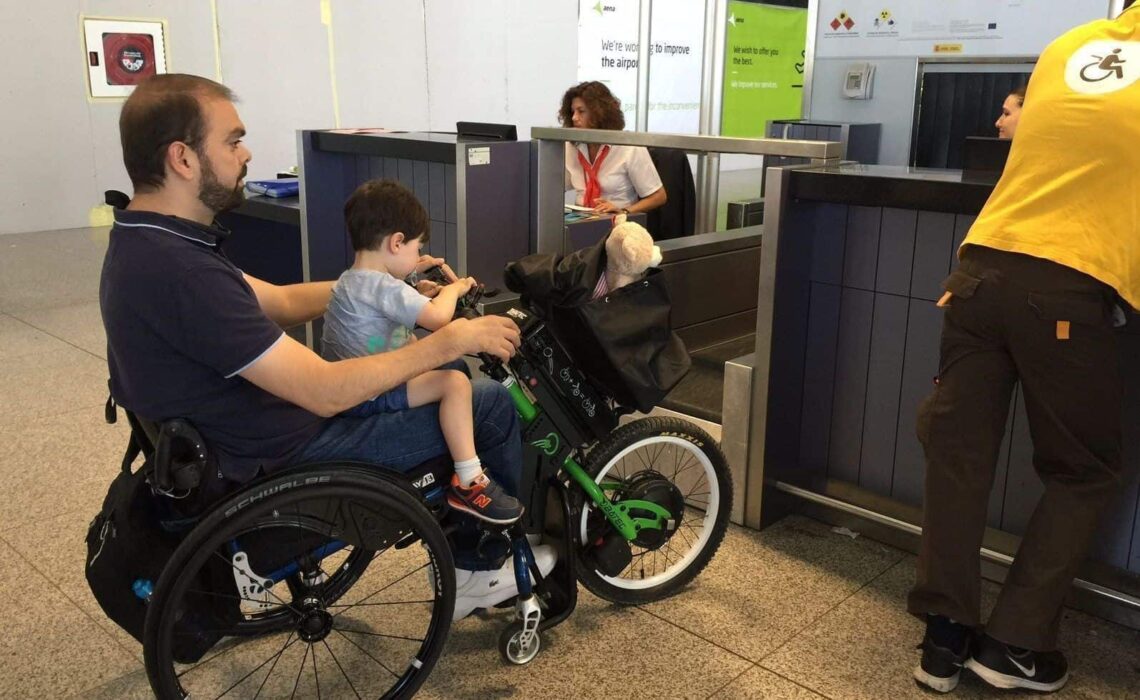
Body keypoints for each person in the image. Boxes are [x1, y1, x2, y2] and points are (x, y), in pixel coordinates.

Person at [100, 73, 526, 609]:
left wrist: (377, 290)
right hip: (282, 452)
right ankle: (477, 572)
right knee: (488, 403)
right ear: (183, 159)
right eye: (232, 141)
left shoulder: (150, 241)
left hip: (234, 438)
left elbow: (279, 302)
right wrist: (449, 340)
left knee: (448, 381)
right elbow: (324, 392)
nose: (246, 154)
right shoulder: (186, 274)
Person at [910, 5, 1140, 694]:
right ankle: (1014, 644)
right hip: (1072, 283)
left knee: (958, 456)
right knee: (1083, 470)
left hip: (979, 268)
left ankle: (944, 636)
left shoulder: (1070, 44)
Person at [320, 178, 523, 524]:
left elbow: (390, 323)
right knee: (455, 383)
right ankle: (469, 479)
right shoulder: (384, 287)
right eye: (416, 249)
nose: (418, 257)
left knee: (443, 364)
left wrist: (413, 283)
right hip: (374, 396)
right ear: (396, 242)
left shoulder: (349, 281)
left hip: (349, 391)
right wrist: (455, 289)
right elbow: (439, 319)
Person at [559, 80, 667, 215]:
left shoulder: (629, 147)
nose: (574, 118)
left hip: (617, 220)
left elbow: (658, 196)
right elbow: (556, 185)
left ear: (599, 114)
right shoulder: (571, 146)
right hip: (581, 219)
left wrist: (623, 211)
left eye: (581, 111)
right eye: (572, 112)